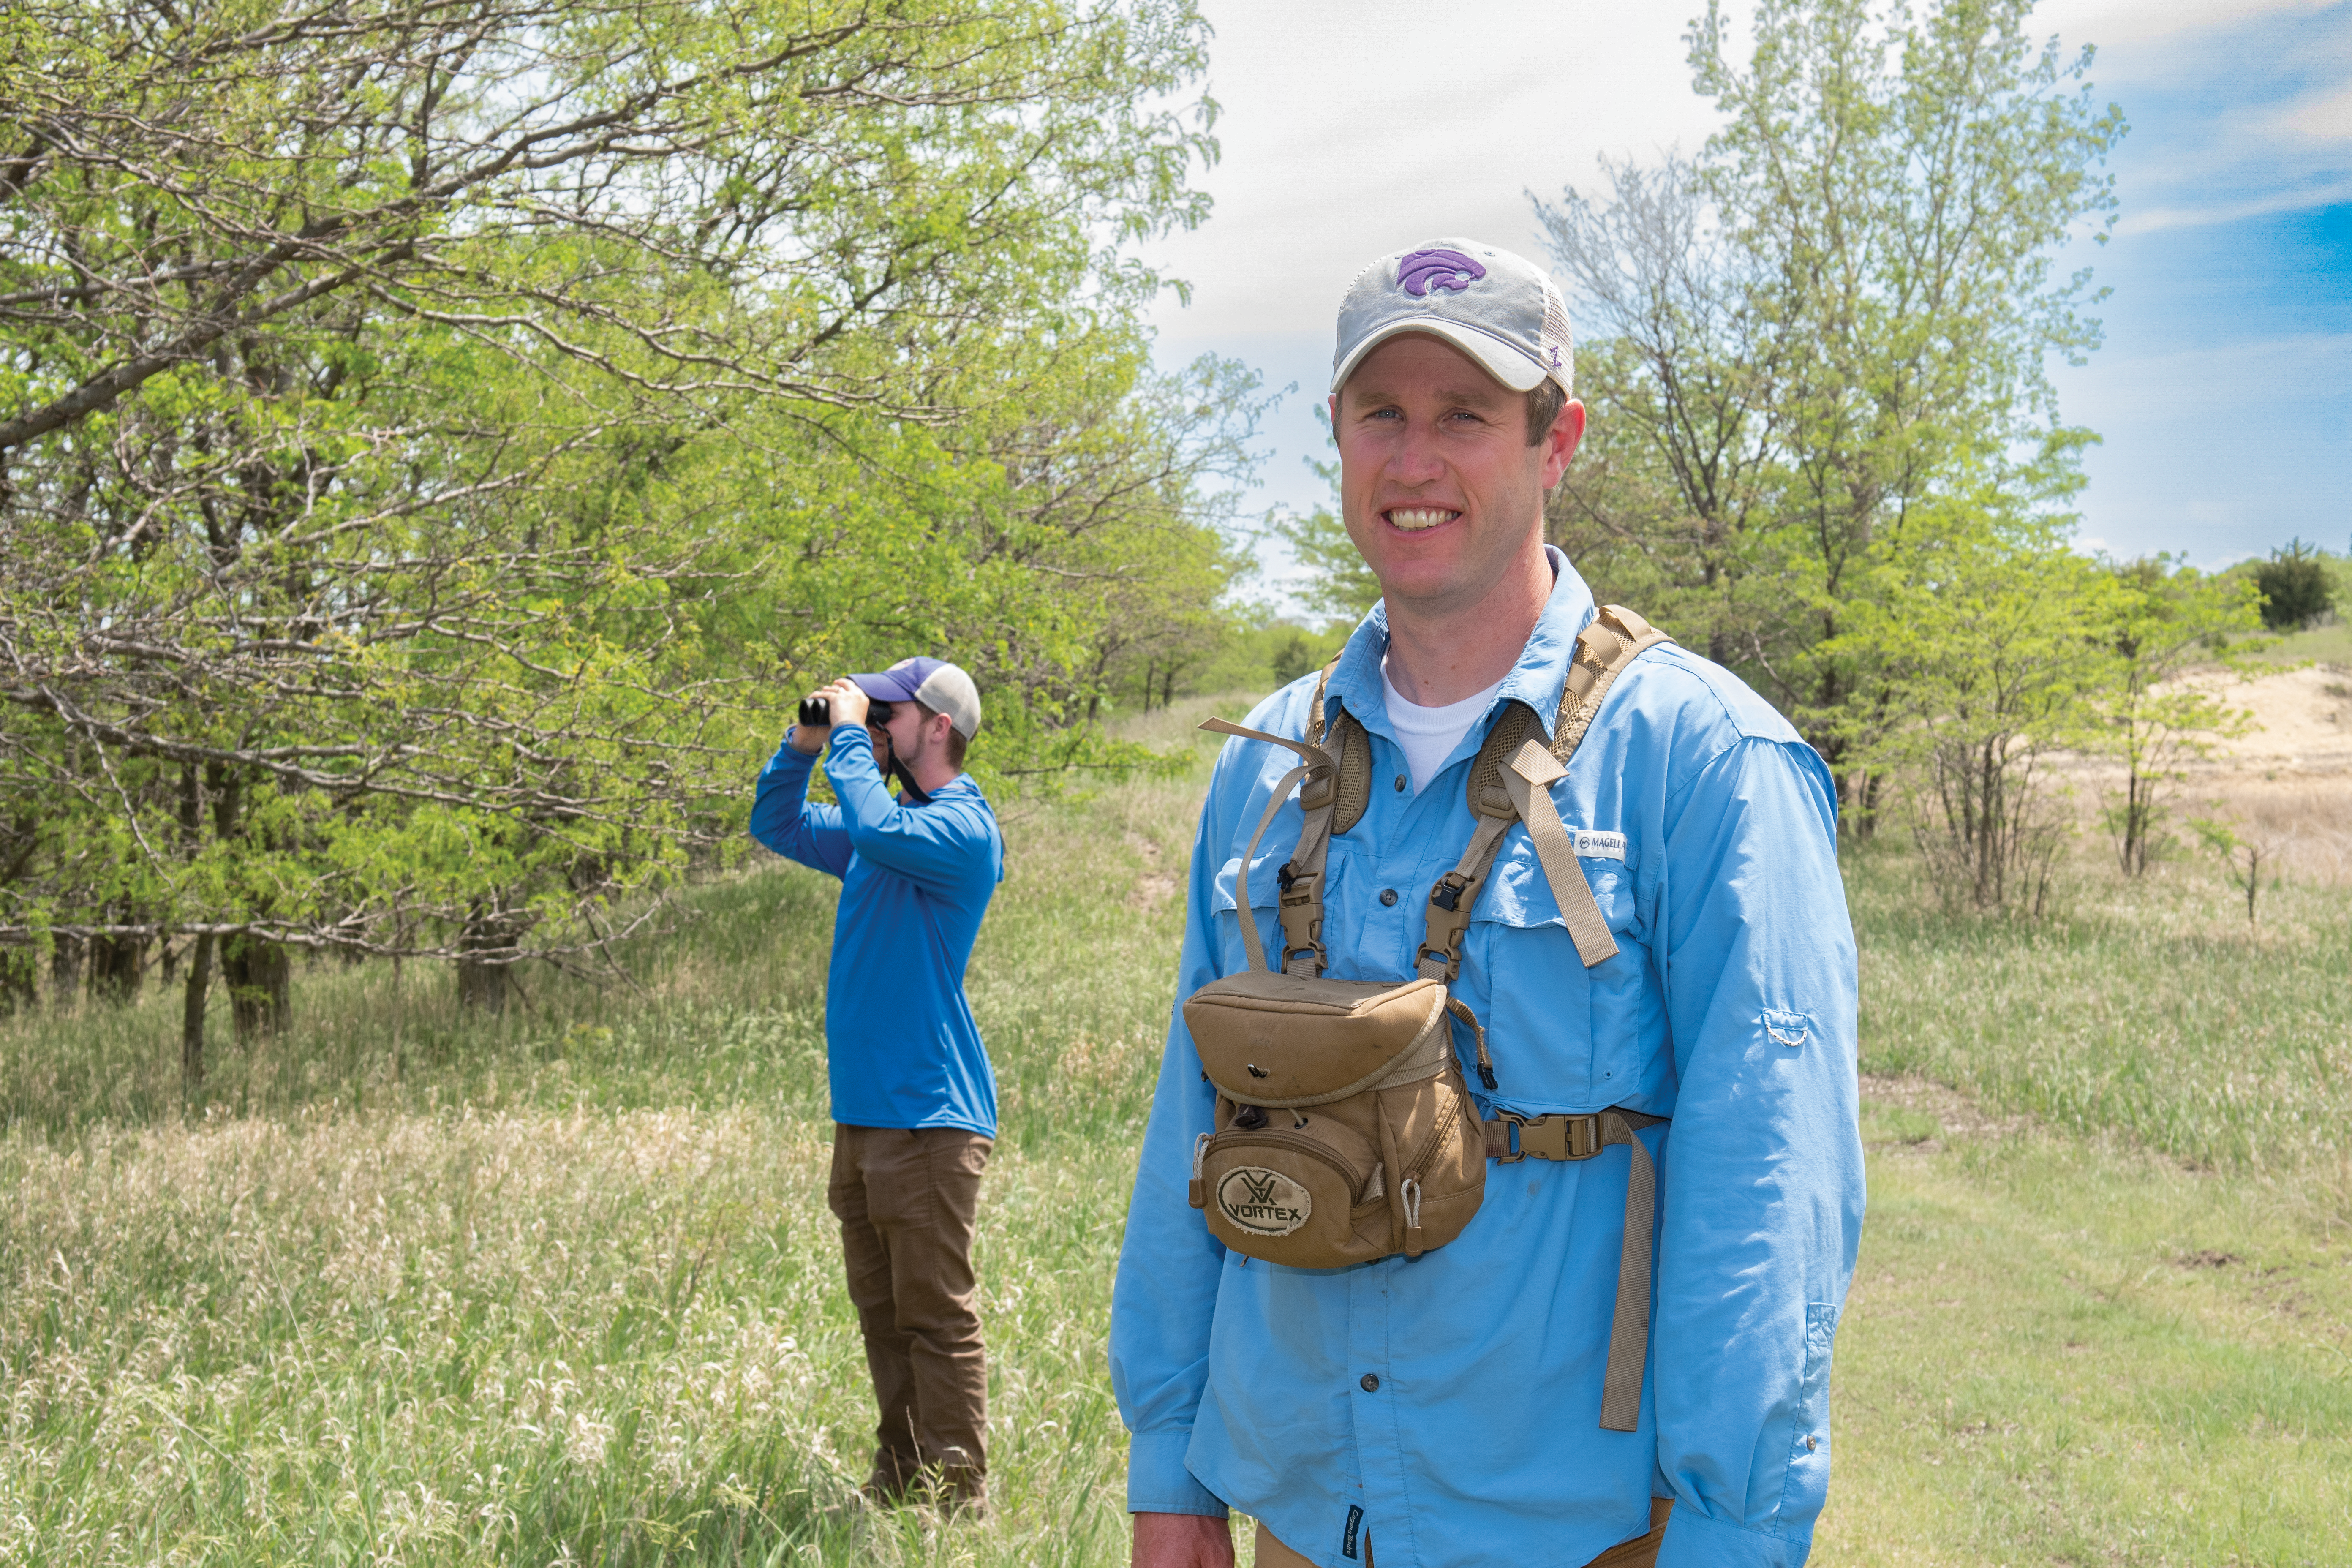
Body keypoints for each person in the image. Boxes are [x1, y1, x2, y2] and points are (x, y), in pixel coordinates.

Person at [1109, 240, 1866, 1568]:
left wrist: (1734, 1536)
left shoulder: (1707, 763)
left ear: (1555, 440)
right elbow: (1192, 1122)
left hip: (1577, 1532)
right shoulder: (1263, 763)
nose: (1416, 460)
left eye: (1465, 415)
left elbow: (1770, 1191)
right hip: (1294, 1506)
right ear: (1336, 437)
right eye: (1382, 414)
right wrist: (1170, 1473)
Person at [748, 656, 1004, 1510]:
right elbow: (776, 825)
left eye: (888, 711)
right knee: (885, 1314)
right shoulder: (881, 827)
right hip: (863, 1115)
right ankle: (899, 1482)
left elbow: (879, 827)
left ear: (937, 725)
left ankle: (962, 1502)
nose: (875, 722)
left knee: (936, 1314)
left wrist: (851, 746)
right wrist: (804, 744)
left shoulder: (961, 831)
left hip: (929, 1115)